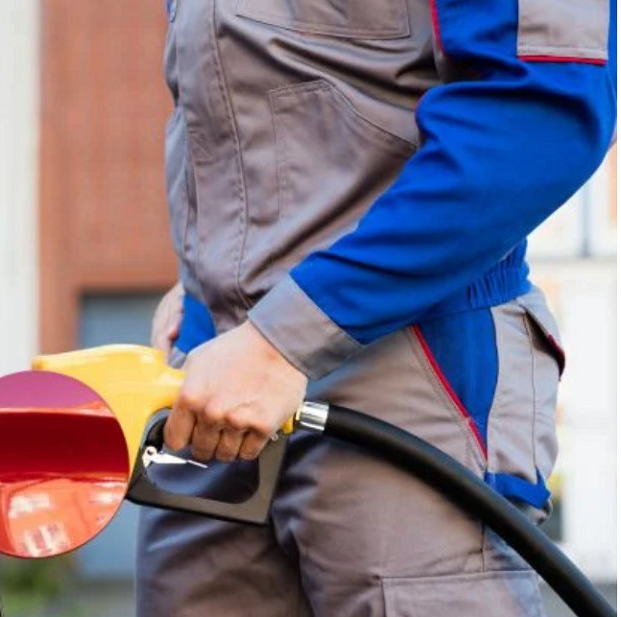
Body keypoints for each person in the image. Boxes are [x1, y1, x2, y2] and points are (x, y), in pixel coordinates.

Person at [141, 1, 616, 616]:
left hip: (411, 369)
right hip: (216, 378)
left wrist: (282, 338)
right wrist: (207, 282)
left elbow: (542, 114)